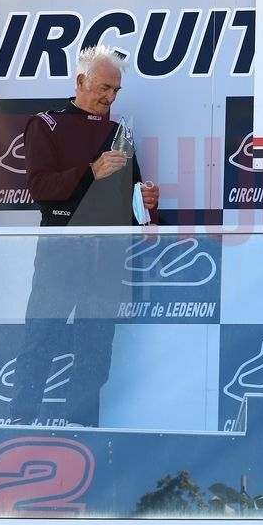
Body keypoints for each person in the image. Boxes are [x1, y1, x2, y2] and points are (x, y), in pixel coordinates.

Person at [12, 44, 159, 426]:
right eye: (104, 88)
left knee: (96, 345)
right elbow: (40, 189)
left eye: (116, 91)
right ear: (81, 81)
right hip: (61, 246)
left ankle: (80, 428)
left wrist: (146, 202)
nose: (110, 98)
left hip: (108, 251)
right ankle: (18, 424)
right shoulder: (45, 124)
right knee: (41, 336)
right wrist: (91, 171)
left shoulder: (119, 132)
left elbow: (131, 200)